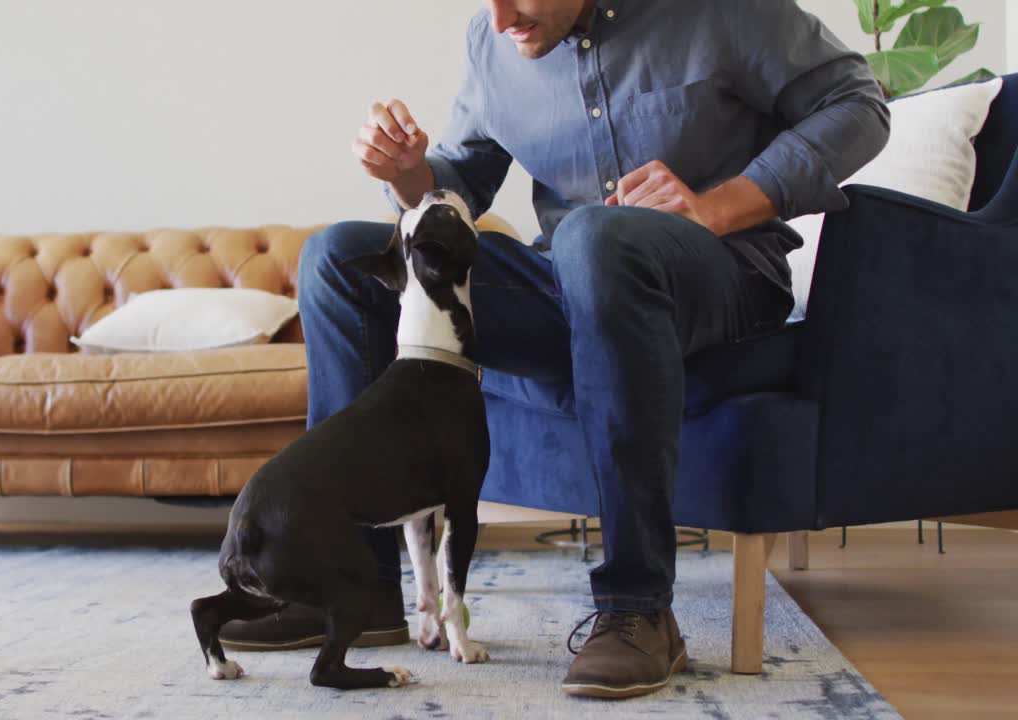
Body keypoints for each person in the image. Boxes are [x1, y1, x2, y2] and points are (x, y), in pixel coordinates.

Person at [222, 0, 889, 699]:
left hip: (723, 273)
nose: (503, 14)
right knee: (337, 256)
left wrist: (719, 204)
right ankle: (353, 587)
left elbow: (858, 103)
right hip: (564, 281)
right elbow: (463, 181)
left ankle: (638, 609)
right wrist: (410, 174)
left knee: (593, 237)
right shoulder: (495, 37)